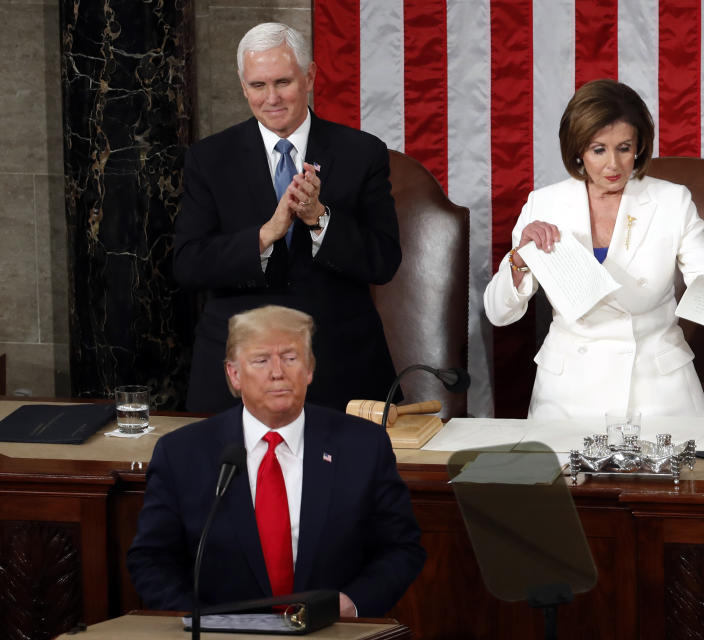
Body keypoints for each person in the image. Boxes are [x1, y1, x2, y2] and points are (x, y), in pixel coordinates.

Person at [484, 79, 704, 420]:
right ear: (578, 150)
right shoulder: (544, 204)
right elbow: (500, 313)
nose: (613, 165)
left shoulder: (672, 200)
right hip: (568, 392)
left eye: (624, 148)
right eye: (598, 149)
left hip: (659, 391)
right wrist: (520, 258)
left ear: (640, 147)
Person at [127, 305, 425, 617]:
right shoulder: (182, 454)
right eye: (261, 360)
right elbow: (151, 560)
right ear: (234, 373)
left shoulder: (363, 447)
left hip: (332, 635)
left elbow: (401, 549)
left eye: (290, 357)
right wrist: (199, 625)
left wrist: (353, 603)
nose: (277, 372)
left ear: (309, 369)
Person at [174, 22, 401, 414]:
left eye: (283, 81)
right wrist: (265, 235)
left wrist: (319, 218)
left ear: (310, 76)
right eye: (258, 85)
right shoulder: (208, 159)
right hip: (239, 371)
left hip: (340, 367)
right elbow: (188, 265)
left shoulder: (362, 153)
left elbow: (383, 261)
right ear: (243, 87)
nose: (272, 98)